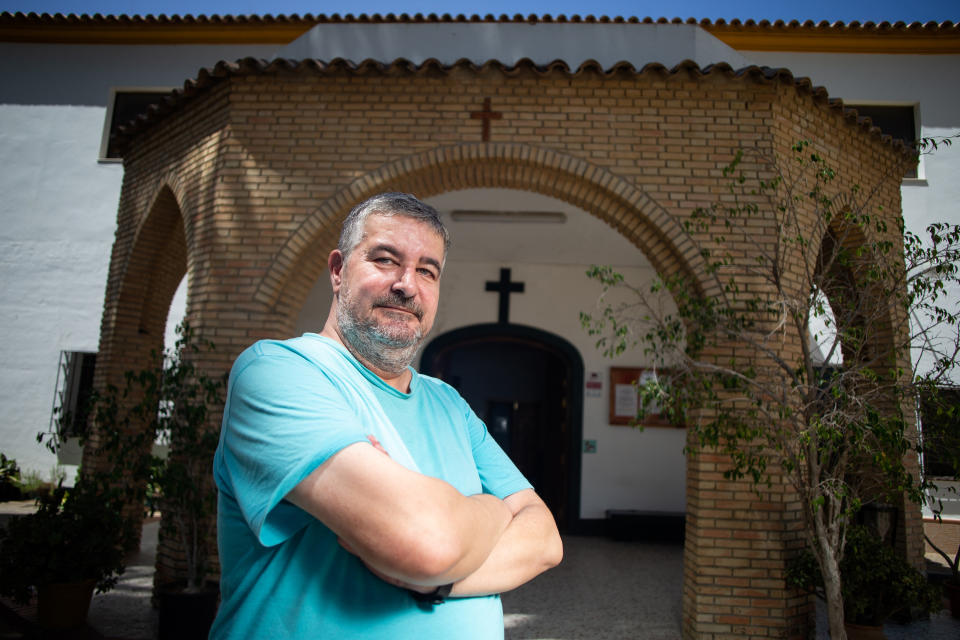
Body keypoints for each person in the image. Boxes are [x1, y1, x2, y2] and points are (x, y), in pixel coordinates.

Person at [211, 192, 563, 639]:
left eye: (426, 270)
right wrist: (493, 509)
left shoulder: (449, 404)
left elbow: (545, 541)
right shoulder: (279, 372)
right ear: (338, 271)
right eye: (385, 260)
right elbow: (424, 543)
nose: (406, 284)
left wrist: (439, 583)